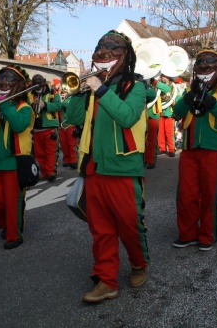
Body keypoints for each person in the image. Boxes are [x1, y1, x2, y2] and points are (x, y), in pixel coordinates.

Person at [66, 30, 149, 303]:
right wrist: (79, 91)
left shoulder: (136, 86)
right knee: (100, 230)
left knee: (129, 226)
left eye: (113, 52)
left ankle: (139, 263)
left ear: (125, 58)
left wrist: (101, 90)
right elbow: (73, 118)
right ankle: (106, 281)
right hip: (94, 168)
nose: (105, 56)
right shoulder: (92, 87)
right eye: (101, 51)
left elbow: (126, 117)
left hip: (123, 169)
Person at [172, 49, 217, 249]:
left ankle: (207, 235)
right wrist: (190, 96)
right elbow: (176, 113)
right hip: (190, 147)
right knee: (186, 194)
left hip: (213, 147)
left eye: (209, 66)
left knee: (209, 194)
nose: (204, 70)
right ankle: (187, 233)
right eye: (200, 66)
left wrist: (210, 101)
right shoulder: (191, 87)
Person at [0, 64, 35, 250]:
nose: (2, 81)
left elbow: (19, 126)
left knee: (13, 201)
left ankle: (14, 235)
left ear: (18, 85)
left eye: (8, 78)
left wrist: (6, 104)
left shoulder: (25, 107)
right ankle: (7, 224)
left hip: (15, 161)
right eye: (1, 77)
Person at [28, 74, 61, 181]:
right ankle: (45, 172)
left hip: (49, 127)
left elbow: (58, 106)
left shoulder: (52, 92)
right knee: (39, 153)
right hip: (36, 128)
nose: (38, 86)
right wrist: (31, 107)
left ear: (44, 82)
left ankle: (51, 172)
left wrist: (45, 105)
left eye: (40, 83)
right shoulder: (29, 94)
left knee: (51, 151)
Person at [156, 74, 178, 157]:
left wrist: (174, 102)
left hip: (170, 112)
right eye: (162, 76)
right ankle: (162, 148)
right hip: (161, 111)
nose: (162, 78)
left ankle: (171, 149)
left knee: (169, 132)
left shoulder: (173, 87)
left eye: (164, 76)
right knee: (160, 132)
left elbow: (178, 97)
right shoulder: (160, 86)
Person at [58, 90, 78, 169]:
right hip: (62, 126)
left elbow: (67, 105)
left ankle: (74, 161)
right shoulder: (62, 100)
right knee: (64, 145)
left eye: (65, 92)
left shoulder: (71, 99)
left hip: (70, 125)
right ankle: (67, 160)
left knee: (72, 144)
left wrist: (61, 102)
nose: (63, 93)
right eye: (62, 92)